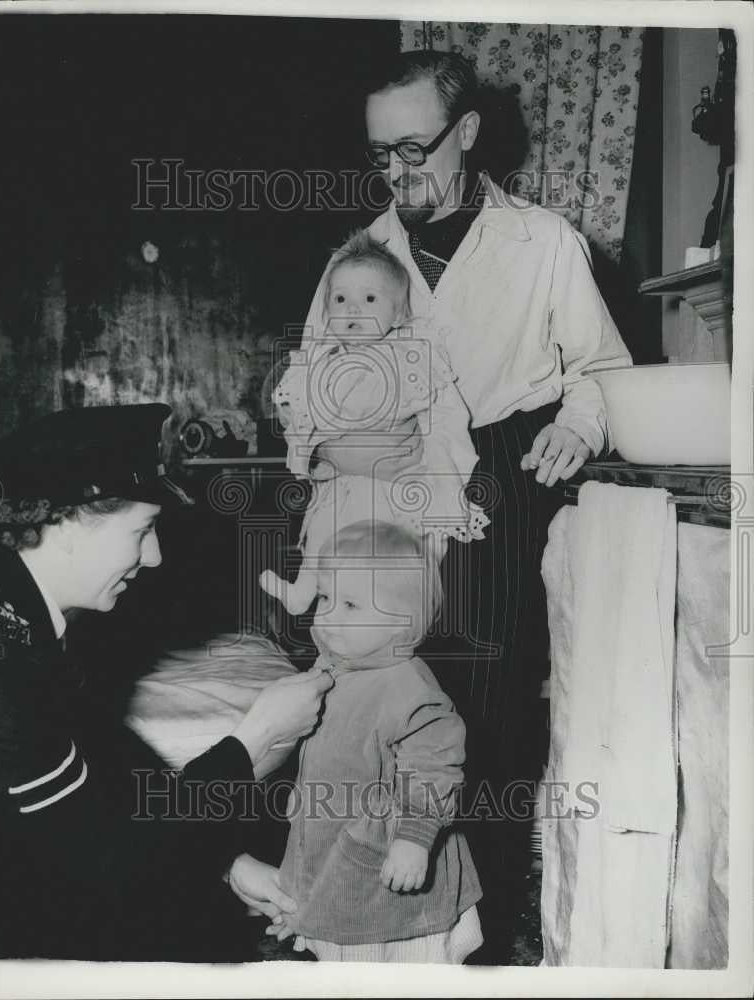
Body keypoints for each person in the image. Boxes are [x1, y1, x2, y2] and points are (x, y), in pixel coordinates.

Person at [294, 50, 633, 960]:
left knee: (473, 707)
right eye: (378, 155)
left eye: (412, 147)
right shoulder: (358, 254)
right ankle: (361, 916)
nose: (395, 171)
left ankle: (477, 933)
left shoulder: (545, 243)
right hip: (380, 482)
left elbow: (601, 373)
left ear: (468, 133)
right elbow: (317, 378)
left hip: (497, 472)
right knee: (362, 694)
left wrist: (579, 424)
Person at [0, 403, 333, 962]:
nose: (154, 557)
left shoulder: (19, 616)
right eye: (143, 530)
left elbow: (100, 765)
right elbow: (107, 868)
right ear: (67, 521)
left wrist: (226, 863)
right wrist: (252, 744)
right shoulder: (0, 673)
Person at [266, 520, 483, 963]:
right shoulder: (338, 668)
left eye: (350, 604)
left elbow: (435, 768)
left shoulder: (408, 688)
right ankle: (313, 914)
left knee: (398, 967)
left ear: (401, 624)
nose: (327, 615)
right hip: (335, 844)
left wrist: (415, 837)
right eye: (325, 598)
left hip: (387, 863)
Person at [260, 228, 487, 615]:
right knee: (325, 534)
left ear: (398, 313)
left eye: (369, 299)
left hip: (398, 486)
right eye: (340, 298)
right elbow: (291, 407)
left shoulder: (413, 358)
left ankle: (411, 607)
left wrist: (444, 473)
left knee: (402, 551)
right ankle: (305, 592)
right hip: (343, 483)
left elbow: (445, 415)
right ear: (326, 309)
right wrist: (294, 425)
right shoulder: (318, 360)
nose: (352, 309)